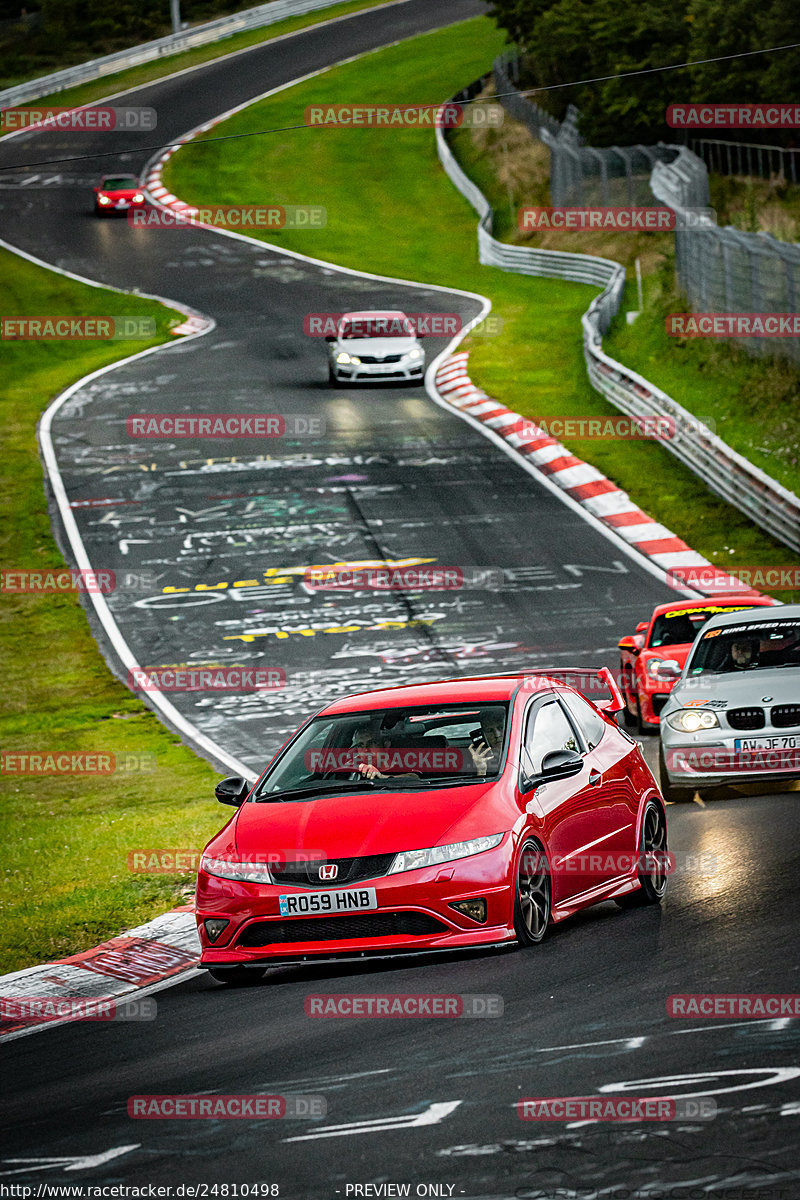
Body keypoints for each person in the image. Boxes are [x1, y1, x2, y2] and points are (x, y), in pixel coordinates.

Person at [469, 708, 505, 777]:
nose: (497, 735)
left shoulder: (521, 747)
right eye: (490, 730)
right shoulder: (478, 759)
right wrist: (481, 770)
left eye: (500, 728)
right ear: (483, 734)